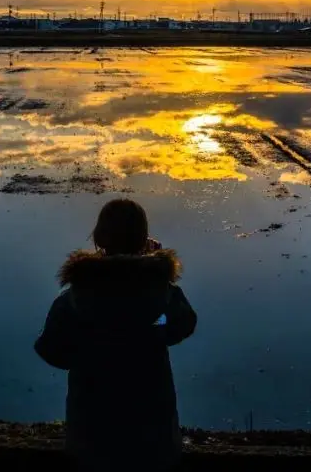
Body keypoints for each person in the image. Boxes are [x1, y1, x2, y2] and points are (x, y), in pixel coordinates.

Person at [35, 199, 197, 472]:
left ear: (98, 238)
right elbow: (181, 326)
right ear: (144, 239)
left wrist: (90, 346)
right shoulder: (162, 295)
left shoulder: (75, 298)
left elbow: (51, 350)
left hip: (91, 437)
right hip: (152, 439)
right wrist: (153, 326)